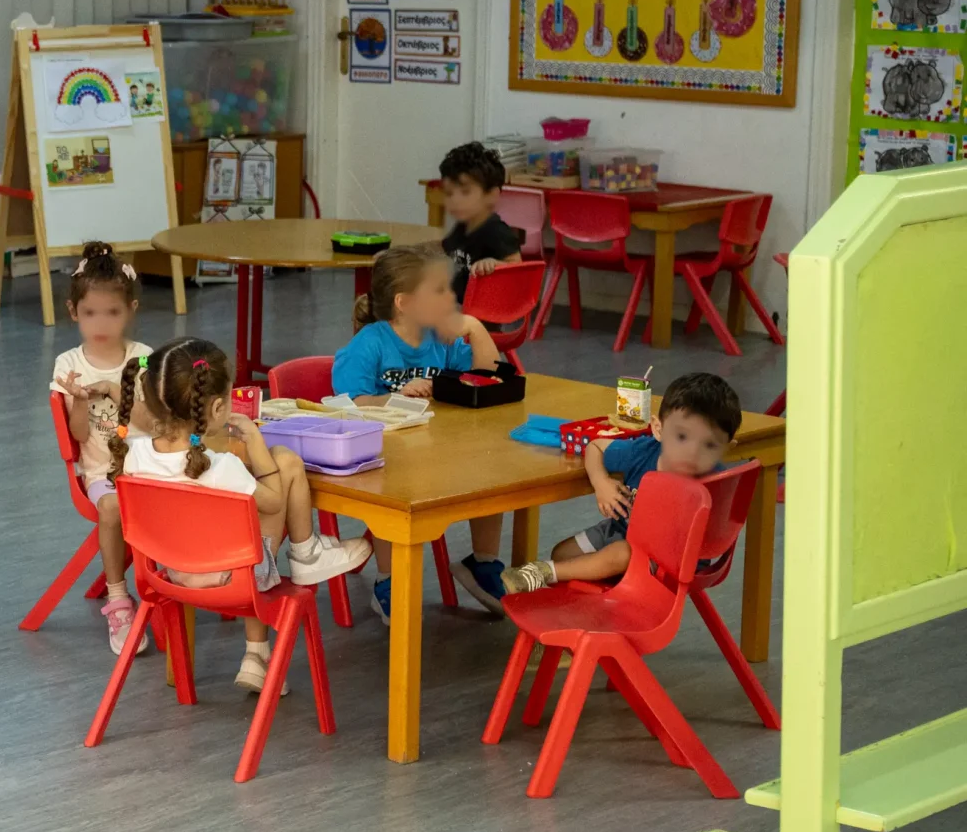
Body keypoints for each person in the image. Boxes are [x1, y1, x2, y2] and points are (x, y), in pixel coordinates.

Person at [112, 338, 370, 692]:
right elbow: (275, 501)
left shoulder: (134, 456)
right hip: (232, 579)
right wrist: (255, 442)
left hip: (170, 572)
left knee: (246, 523)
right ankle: (306, 554)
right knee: (286, 463)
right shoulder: (222, 466)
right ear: (217, 407)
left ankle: (257, 656)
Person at [333, 247, 511, 617]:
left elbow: (491, 376)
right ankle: (388, 581)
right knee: (390, 479)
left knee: (492, 464)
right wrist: (392, 396)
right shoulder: (370, 343)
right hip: (385, 457)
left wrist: (476, 329)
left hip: (439, 448)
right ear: (405, 302)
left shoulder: (438, 338)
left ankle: (483, 563)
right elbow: (346, 402)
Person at [502, 372, 741, 592]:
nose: (692, 452)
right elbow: (595, 446)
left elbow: (713, 533)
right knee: (563, 553)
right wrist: (601, 482)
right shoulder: (643, 451)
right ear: (658, 429)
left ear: (725, 449)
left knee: (623, 553)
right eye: (681, 436)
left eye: (709, 445)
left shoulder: (716, 482)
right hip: (622, 530)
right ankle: (568, 618)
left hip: (671, 561)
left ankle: (540, 573)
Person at [49, 243, 158, 651]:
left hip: (150, 468)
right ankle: (118, 599)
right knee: (112, 507)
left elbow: (154, 423)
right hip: (100, 475)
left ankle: (189, 576)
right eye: (91, 312)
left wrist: (115, 389)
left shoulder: (144, 358)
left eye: (112, 312)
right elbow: (78, 436)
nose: (102, 322)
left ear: (130, 309)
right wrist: (79, 398)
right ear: (74, 311)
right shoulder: (67, 364)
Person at [438, 141, 524, 298]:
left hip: (481, 314)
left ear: (491, 195)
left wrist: (494, 264)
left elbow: (516, 268)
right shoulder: (463, 226)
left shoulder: (496, 230)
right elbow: (443, 250)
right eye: (449, 193)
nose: (455, 200)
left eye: (465, 192)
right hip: (456, 305)